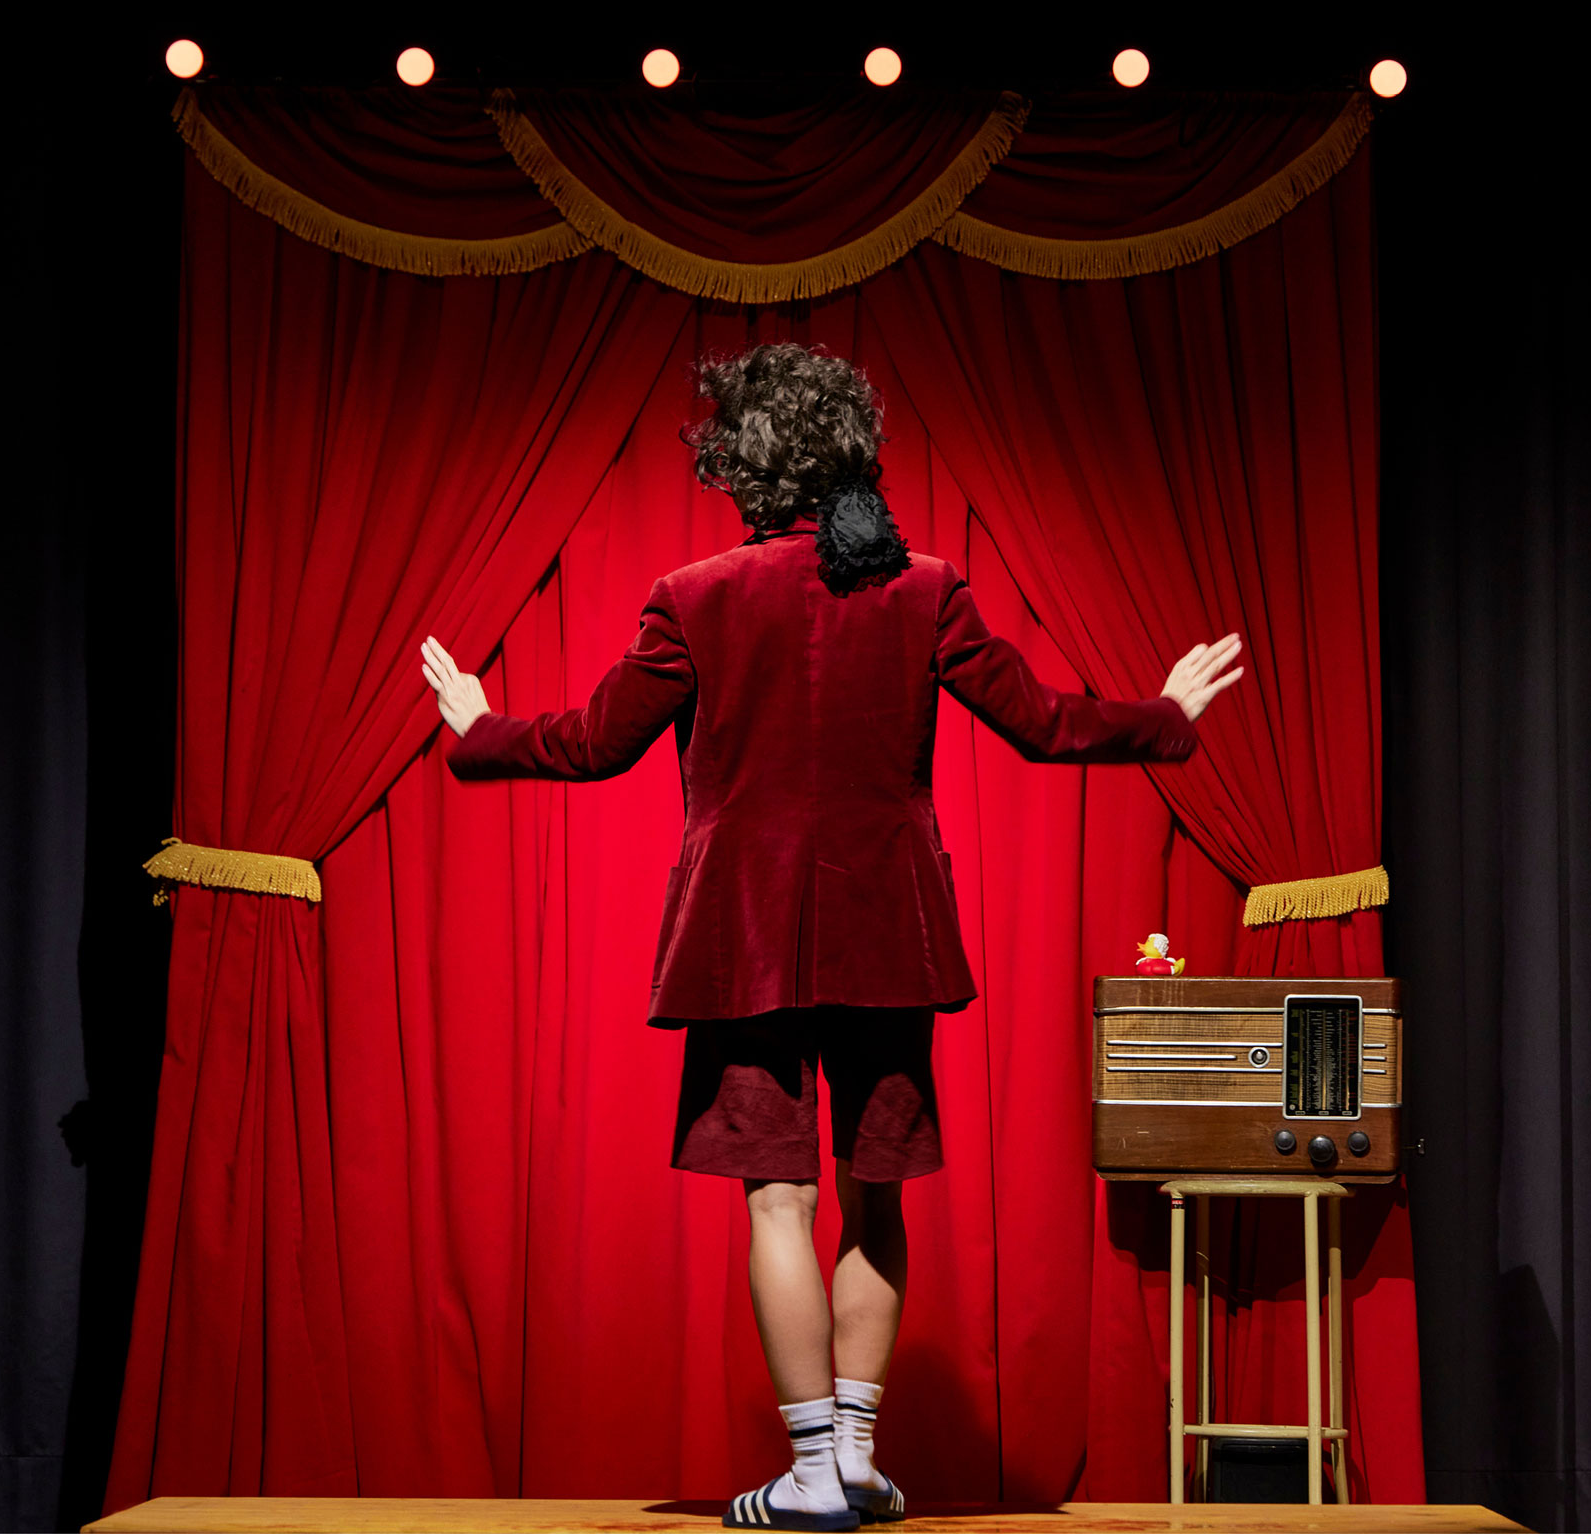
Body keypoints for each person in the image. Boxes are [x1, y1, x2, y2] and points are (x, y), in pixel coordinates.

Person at [420, 344, 1244, 1530]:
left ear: (742, 468)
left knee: (778, 1198)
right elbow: (1044, 724)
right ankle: (847, 1458)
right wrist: (1162, 717)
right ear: (855, 454)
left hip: (742, 934)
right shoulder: (923, 585)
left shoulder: (695, 594)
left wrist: (479, 729)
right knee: (877, 1193)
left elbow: (593, 742)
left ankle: (820, 1471)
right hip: (885, 929)